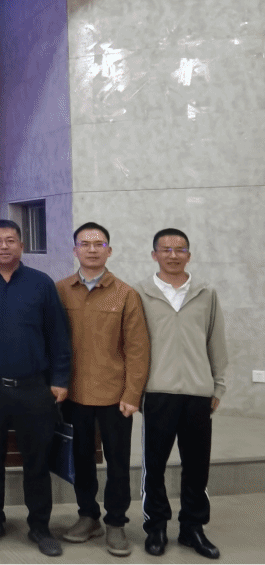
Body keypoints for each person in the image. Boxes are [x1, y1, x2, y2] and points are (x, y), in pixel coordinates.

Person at [0, 219, 71, 557]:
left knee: (37, 461)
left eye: (10, 240)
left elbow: (58, 335)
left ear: (21, 246)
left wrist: (60, 379)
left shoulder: (41, 284)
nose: (4, 246)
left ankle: (40, 526)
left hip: (34, 388)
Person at [56, 222, 149, 557]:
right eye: (85, 243)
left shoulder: (126, 294)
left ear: (109, 250)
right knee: (81, 460)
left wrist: (132, 394)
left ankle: (116, 523)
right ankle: (88, 516)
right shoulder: (60, 290)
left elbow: (138, 349)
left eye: (99, 244)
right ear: (75, 250)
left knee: (118, 463)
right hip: (74, 394)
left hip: (115, 396)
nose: (92, 249)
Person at [136, 228, 227, 560]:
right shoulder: (139, 293)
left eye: (180, 249)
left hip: (198, 392)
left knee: (197, 466)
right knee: (155, 465)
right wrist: (134, 389)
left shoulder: (206, 293)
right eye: (166, 249)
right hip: (157, 392)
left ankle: (192, 527)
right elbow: (131, 345)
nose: (173, 255)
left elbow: (216, 340)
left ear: (189, 255)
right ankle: (156, 526)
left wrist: (217, 385)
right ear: (154, 255)